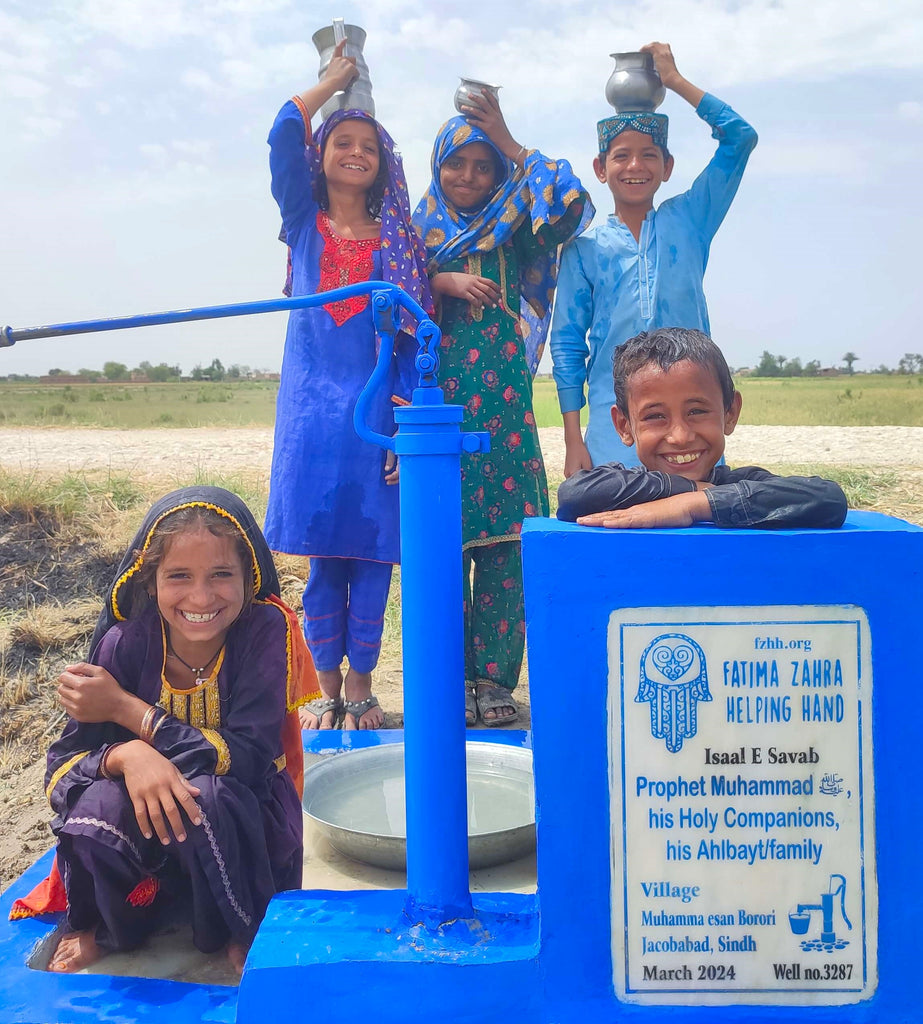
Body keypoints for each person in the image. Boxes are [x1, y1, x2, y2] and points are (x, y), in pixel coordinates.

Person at [35, 486, 318, 974]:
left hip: (242, 823)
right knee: (96, 806)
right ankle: (112, 925)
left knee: (209, 794)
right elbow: (61, 774)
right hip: (147, 826)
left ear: (250, 580)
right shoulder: (125, 645)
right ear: (150, 583)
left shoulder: (265, 631)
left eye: (222, 575)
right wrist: (126, 758)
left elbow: (248, 756)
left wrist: (129, 711)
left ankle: (238, 925)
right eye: (179, 576)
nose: (201, 597)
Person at [413, 89, 593, 725]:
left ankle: (493, 681)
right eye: (455, 164)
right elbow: (387, 291)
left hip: (507, 415)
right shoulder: (414, 236)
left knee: (505, 552)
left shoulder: (515, 232)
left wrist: (512, 140)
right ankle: (444, 678)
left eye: (484, 165)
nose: (468, 177)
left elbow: (572, 204)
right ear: (434, 168)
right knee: (438, 549)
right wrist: (441, 280)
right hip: (433, 417)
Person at [266, 41, 432, 730]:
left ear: (383, 162)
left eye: (368, 143)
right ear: (323, 155)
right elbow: (280, 134)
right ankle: (322, 690)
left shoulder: (401, 239)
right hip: (309, 417)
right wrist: (332, 81)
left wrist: (404, 422)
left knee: (372, 559)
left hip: (374, 418)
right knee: (319, 559)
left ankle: (360, 690)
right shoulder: (303, 224)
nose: (355, 152)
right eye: (342, 140)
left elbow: (411, 340)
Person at [550, 41, 758, 475]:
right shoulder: (584, 249)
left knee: (697, 521)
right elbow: (568, 348)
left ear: (667, 166)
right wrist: (574, 440)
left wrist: (675, 81)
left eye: (649, 155)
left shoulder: (690, 219)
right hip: (616, 426)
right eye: (621, 156)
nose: (635, 166)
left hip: (692, 419)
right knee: (620, 526)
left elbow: (740, 138)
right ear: (600, 168)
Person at [556, 328, 848, 530]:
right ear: (624, 425)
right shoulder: (622, 487)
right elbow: (573, 496)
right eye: (655, 416)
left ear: (730, 413)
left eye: (696, 411)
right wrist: (688, 488)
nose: (680, 436)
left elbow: (827, 498)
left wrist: (695, 504)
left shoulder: (739, 483)